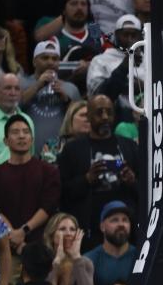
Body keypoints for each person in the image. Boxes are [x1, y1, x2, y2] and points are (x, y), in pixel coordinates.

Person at [57, 95, 139, 239]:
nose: (105, 117)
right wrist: (86, 180)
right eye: (99, 112)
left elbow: (146, 189)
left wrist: (132, 181)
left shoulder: (129, 147)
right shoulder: (73, 150)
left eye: (109, 112)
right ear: (88, 116)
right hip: (88, 229)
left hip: (125, 228)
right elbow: (62, 193)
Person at [0, 115, 59, 267]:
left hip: (41, 249)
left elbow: (48, 206)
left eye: (26, 132)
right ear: (6, 141)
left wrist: (23, 231)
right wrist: (12, 234)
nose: (21, 136)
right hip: (5, 248)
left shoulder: (48, 171)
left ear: (32, 139)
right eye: (15, 132)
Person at [21, 40, 81, 153]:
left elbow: (80, 120)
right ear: (34, 61)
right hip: (28, 151)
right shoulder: (22, 84)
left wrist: (66, 99)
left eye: (55, 59)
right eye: (45, 58)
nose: (50, 62)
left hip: (62, 151)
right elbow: (13, 107)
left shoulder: (70, 88)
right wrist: (38, 85)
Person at [82, 201, 135, 285]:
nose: (121, 224)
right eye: (114, 220)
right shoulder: (89, 260)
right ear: (102, 226)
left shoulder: (141, 257)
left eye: (125, 220)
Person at [86, 14, 143, 95]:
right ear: (116, 35)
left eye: (134, 35)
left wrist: (144, 87)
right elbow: (96, 94)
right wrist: (125, 66)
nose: (130, 39)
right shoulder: (100, 60)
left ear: (140, 37)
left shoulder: (150, 59)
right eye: (125, 35)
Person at [43, 212, 93, 285]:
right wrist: (56, 262)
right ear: (51, 235)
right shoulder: (42, 261)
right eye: (62, 229)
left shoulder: (85, 262)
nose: (69, 233)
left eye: (72, 229)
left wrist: (77, 258)